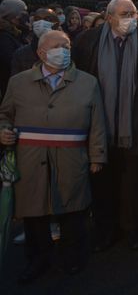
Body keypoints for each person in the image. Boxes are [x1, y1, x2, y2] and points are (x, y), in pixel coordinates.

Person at [0, 30, 107, 282]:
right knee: (35, 215)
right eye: (57, 46)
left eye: (67, 45)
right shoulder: (19, 82)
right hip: (31, 159)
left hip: (72, 158)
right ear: (41, 52)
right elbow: (5, 114)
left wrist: (97, 156)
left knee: (73, 213)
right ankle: (37, 260)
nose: (64, 50)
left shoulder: (87, 82)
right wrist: (3, 130)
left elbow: (98, 123)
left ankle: (72, 259)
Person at [72, 0, 138, 251]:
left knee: (133, 183)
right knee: (103, 183)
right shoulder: (87, 42)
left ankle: (132, 229)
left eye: (133, 14)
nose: (130, 19)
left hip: (134, 124)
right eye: (124, 14)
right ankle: (105, 230)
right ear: (109, 16)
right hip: (99, 125)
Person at [11, 8, 60, 76]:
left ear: (56, 24)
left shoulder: (64, 52)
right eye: (37, 19)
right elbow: (16, 82)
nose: (41, 22)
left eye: (47, 19)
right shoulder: (21, 54)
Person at [0, 0, 29, 95]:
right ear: (14, 15)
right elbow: (12, 61)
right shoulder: (4, 36)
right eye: (23, 13)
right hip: (9, 87)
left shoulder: (15, 32)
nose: (25, 16)